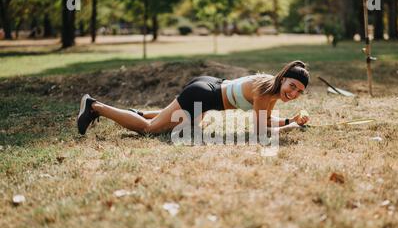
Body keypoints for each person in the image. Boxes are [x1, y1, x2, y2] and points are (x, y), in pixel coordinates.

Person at [77, 60, 310, 136]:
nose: (294, 93)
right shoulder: (264, 92)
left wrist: (292, 120)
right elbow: (260, 131)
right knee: (150, 130)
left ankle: (136, 114)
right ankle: (95, 106)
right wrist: (290, 127)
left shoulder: (272, 88)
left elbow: (266, 120)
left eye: (299, 91)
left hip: (210, 88)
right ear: (283, 79)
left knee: (190, 126)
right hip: (204, 94)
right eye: (292, 86)